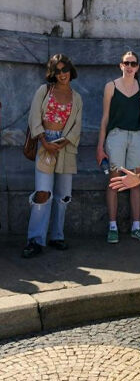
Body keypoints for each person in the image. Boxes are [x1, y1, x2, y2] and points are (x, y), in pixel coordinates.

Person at [22, 54, 82, 258]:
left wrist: (62, 142)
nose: (62, 74)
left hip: (65, 147)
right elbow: (33, 117)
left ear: (70, 71)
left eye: (65, 70)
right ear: (52, 73)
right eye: (57, 71)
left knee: (63, 196)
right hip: (44, 143)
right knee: (42, 193)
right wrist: (45, 141)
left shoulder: (77, 97)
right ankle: (35, 240)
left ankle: (57, 236)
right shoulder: (44, 90)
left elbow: (77, 127)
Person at [96, 50, 140, 244]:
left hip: (137, 135)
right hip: (116, 134)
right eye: (126, 63)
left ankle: (136, 226)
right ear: (120, 65)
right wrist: (100, 146)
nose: (129, 67)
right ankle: (112, 226)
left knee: (136, 180)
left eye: (133, 64)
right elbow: (105, 118)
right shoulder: (110, 86)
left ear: (138, 67)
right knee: (114, 180)